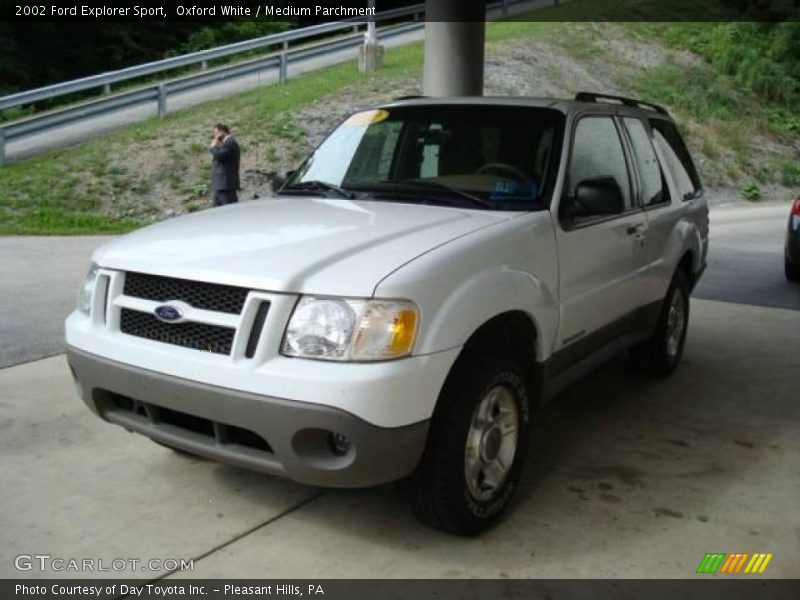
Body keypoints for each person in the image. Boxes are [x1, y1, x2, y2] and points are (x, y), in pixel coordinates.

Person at [209, 123, 241, 206]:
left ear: (222, 131)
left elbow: (220, 155)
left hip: (226, 184)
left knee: (229, 208)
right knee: (216, 208)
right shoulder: (224, 144)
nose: (215, 136)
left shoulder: (230, 143)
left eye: (216, 133)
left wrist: (213, 147)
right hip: (220, 185)